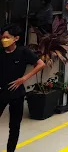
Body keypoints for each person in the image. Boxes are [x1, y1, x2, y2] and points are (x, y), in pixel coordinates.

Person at [0, 24, 45, 152]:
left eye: (7, 37)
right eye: (2, 37)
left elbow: (41, 64)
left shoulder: (23, 52)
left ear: (16, 38)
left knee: (14, 126)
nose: (4, 40)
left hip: (16, 92)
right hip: (1, 91)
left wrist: (24, 79)